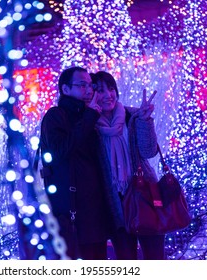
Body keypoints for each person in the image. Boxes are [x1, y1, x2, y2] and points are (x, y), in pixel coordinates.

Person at [39, 66, 113, 260]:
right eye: (82, 85)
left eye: (90, 85)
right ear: (65, 89)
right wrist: (89, 116)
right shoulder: (55, 116)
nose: (89, 90)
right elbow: (58, 151)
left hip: (96, 212)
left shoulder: (90, 116)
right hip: (72, 213)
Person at [91, 70, 165, 260]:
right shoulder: (90, 127)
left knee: (155, 258)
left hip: (144, 196)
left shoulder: (132, 116)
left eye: (111, 88)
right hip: (113, 202)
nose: (108, 95)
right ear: (91, 94)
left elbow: (149, 151)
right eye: (100, 90)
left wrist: (145, 120)